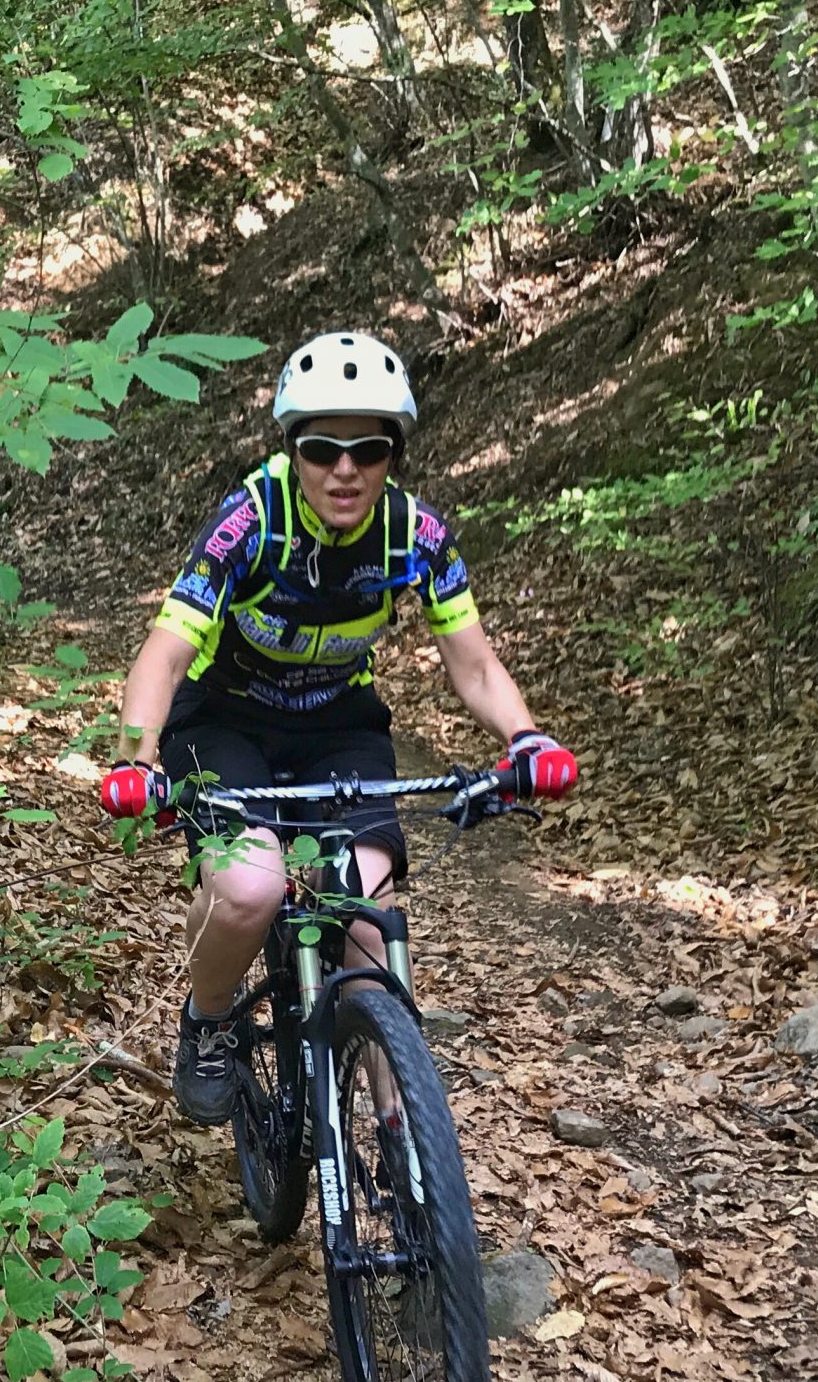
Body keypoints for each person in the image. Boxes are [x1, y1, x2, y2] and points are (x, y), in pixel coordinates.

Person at [97, 330, 577, 1123]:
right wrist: (134, 760)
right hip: (225, 717)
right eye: (322, 448)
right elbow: (165, 655)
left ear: (394, 453)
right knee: (249, 886)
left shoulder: (415, 537)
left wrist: (528, 740)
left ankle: (409, 1139)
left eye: (369, 448)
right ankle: (209, 1021)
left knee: (365, 906)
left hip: (338, 724)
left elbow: (475, 666)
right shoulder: (250, 522)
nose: (345, 469)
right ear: (294, 449)